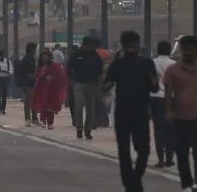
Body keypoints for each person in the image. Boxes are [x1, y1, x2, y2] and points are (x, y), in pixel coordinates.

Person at [103, 31, 158, 192]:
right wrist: (105, 83)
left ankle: (134, 180)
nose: (131, 48)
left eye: (134, 45)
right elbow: (106, 86)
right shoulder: (117, 64)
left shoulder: (147, 63)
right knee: (124, 150)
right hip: (122, 112)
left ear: (138, 45)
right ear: (123, 46)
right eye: (128, 46)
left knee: (144, 150)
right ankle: (130, 185)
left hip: (141, 112)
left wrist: (154, 81)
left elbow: (154, 87)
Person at [164, 35, 197, 191]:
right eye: (185, 49)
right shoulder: (172, 71)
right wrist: (168, 111)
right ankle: (186, 183)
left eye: (191, 49)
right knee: (181, 152)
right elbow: (168, 92)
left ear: (196, 50)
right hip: (179, 117)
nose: (187, 52)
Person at [67, 36, 105, 140]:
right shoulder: (76, 55)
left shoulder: (95, 55)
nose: (91, 47)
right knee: (78, 106)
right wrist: (72, 83)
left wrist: (100, 83)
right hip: (79, 83)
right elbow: (69, 69)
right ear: (85, 45)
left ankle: (87, 130)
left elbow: (100, 70)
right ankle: (79, 129)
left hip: (92, 84)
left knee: (90, 108)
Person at [150, 40, 176, 168]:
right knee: (170, 129)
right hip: (170, 98)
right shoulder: (174, 65)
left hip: (155, 98)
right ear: (170, 50)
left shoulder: (152, 63)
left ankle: (160, 158)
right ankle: (169, 158)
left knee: (158, 129)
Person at [32, 49, 67, 129]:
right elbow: (37, 77)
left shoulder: (55, 66)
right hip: (43, 90)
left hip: (52, 90)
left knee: (50, 107)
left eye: (46, 57)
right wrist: (42, 77)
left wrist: (53, 79)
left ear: (49, 57)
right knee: (43, 106)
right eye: (43, 57)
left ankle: (50, 123)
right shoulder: (40, 67)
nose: (45, 59)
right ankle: (44, 121)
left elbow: (60, 76)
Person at [17, 42, 39, 126]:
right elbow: (25, 72)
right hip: (28, 83)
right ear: (31, 49)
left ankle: (34, 118)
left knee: (33, 101)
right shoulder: (27, 59)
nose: (35, 51)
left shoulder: (32, 58)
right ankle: (28, 118)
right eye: (34, 49)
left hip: (32, 82)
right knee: (28, 101)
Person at [0, 49, 13, 115]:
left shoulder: (8, 62)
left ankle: (3, 109)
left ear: (4, 55)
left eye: (2, 55)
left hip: (5, 78)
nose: (0, 57)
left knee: (4, 94)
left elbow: (11, 71)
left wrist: (6, 72)